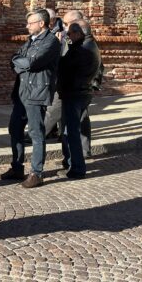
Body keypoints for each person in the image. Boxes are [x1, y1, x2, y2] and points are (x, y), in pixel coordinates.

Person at [1, 9, 60, 188]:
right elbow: (14, 59)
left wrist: (22, 62)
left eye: (31, 23)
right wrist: (21, 62)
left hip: (37, 92)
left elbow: (33, 63)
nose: (27, 26)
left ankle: (37, 173)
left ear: (41, 23)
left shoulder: (51, 42)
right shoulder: (30, 41)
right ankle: (17, 167)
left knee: (35, 132)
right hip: (21, 92)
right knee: (14, 128)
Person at [57, 19, 101, 179]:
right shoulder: (90, 44)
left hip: (75, 93)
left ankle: (77, 168)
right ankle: (71, 163)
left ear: (79, 33)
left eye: (70, 33)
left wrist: (58, 45)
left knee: (71, 132)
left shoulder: (82, 48)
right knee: (71, 130)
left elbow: (63, 65)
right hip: (81, 92)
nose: (68, 36)